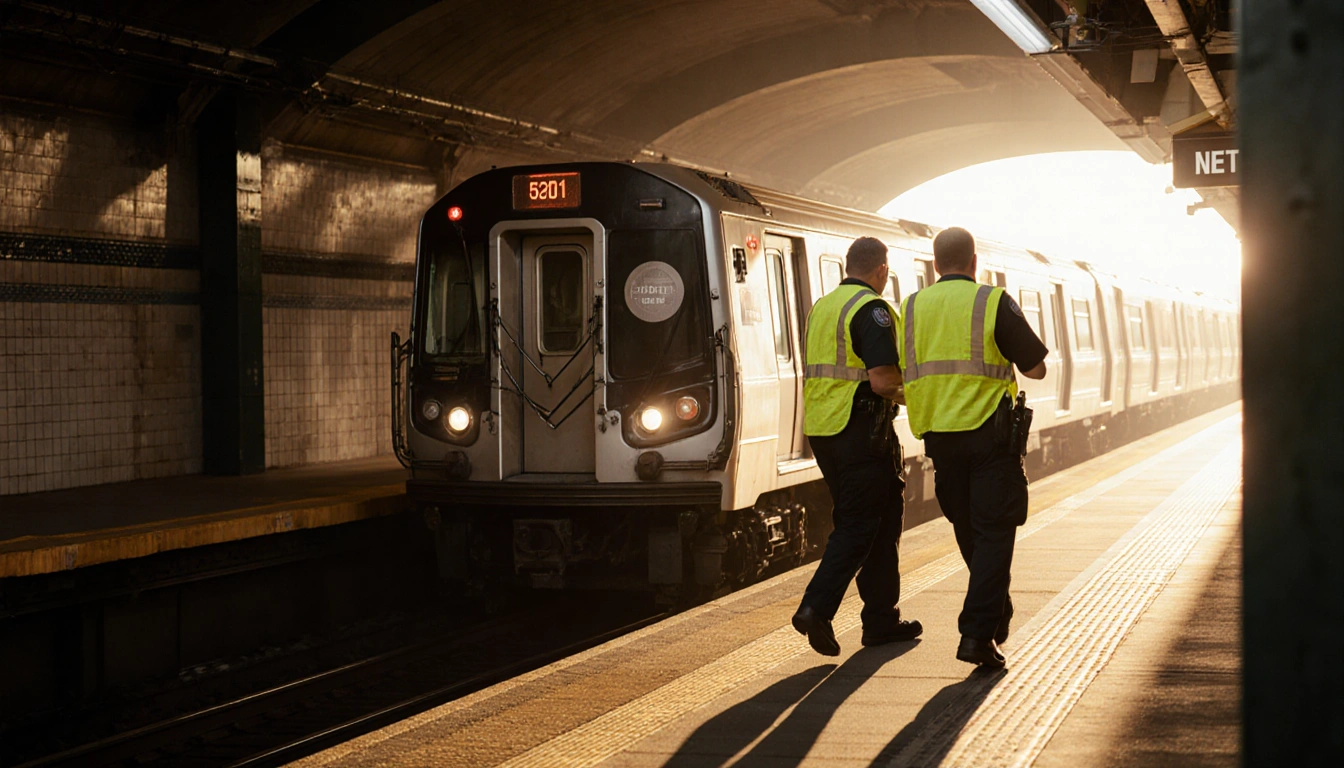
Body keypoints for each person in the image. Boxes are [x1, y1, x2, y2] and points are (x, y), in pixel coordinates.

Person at [895, 227, 1048, 669]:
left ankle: (992, 610)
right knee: (995, 531)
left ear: (936, 263)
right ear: (974, 261)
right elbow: (1035, 367)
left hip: (938, 440)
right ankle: (977, 634)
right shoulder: (991, 301)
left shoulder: (910, 307)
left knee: (971, 531)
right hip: (988, 437)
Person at [791, 236, 922, 656]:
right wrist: (921, 399)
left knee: (882, 519)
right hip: (861, 430)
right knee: (860, 525)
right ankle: (816, 607)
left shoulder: (823, 307)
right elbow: (883, 381)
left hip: (825, 430)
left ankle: (882, 620)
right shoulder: (873, 310)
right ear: (882, 271)